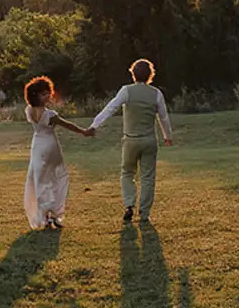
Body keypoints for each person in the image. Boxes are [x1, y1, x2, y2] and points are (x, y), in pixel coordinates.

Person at [91, 58, 174, 224]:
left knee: (127, 173)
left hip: (130, 140)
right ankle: (144, 213)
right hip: (149, 140)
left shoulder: (126, 91)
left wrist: (94, 125)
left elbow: (111, 108)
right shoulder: (156, 93)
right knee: (148, 177)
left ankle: (129, 204)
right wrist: (167, 136)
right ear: (150, 75)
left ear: (133, 74)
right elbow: (163, 117)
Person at [23, 76, 92, 230]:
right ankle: (51, 214)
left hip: (38, 145)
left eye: (48, 93)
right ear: (36, 95)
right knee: (52, 179)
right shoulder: (49, 115)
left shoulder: (29, 110)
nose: (48, 96)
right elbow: (67, 125)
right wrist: (83, 132)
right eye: (43, 94)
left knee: (42, 179)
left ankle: (49, 215)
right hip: (48, 145)